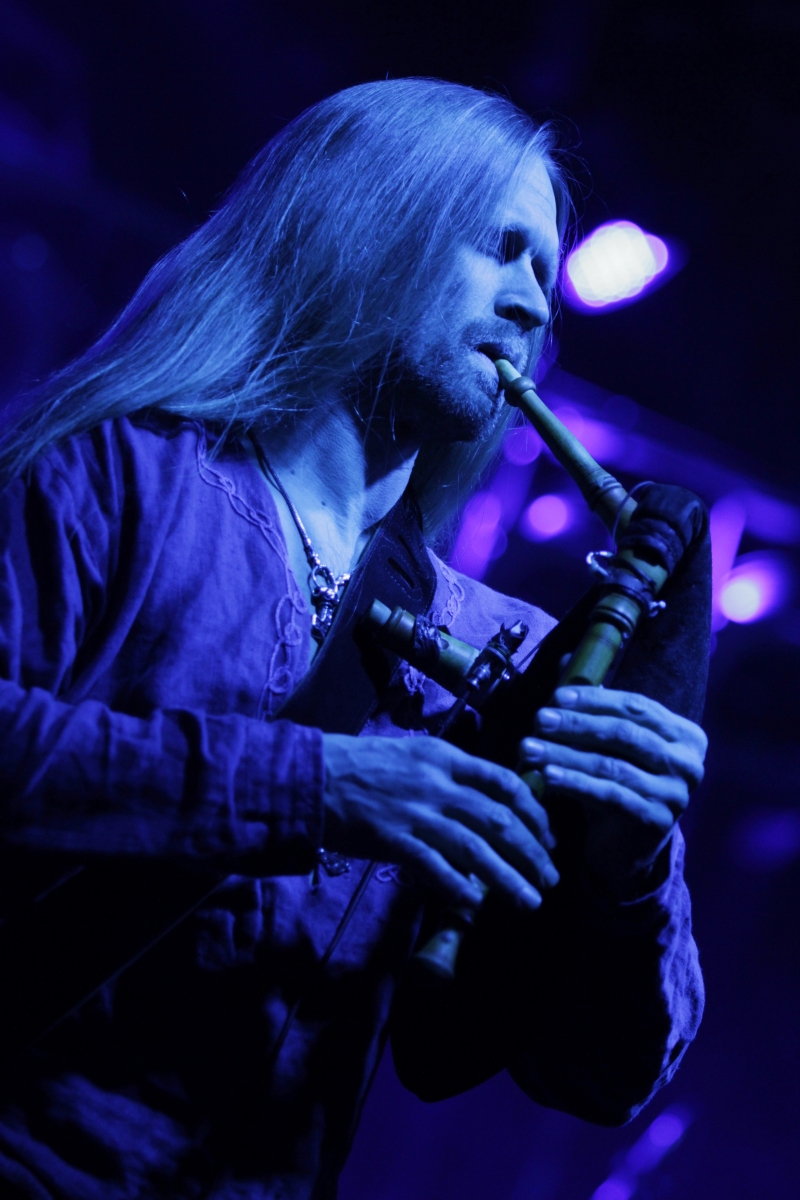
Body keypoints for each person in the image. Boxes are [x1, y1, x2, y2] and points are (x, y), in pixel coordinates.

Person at [0, 79, 706, 1199]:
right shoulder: (109, 476)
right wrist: (312, 786)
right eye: (501, 246)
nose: (535, 302)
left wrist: (627, 869)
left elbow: (599, 1079)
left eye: (547, 269)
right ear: (364, 229)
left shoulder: (507, 651)